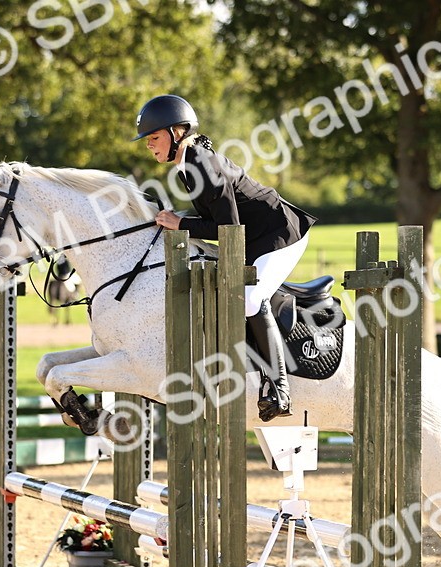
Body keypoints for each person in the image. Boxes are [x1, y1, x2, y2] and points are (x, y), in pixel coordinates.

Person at [133, 94, 316, 422]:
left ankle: (280, 389)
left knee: (250, 299)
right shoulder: (190, 164)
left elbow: (228, 228)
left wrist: (180, 224)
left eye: (154, 137)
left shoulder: (201, 164)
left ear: (177, 132)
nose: (149, 145)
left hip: (282, 234)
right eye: (147, 140)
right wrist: (178, 219)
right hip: (257, 237)